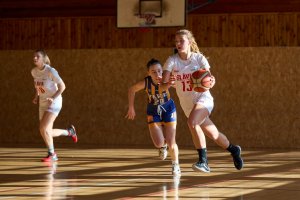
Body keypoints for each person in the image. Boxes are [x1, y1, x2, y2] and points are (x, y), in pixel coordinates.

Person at [161, 29, 243, 173]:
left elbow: (209, 79)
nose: (178, 43)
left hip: (203, 99)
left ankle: (203, 161)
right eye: (176, 41)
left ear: (190, 42)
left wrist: (211, 81)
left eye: (182, 40)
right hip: (188, 105)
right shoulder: (172, 61)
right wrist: (169, 84)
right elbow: (162, 87)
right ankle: (234, 149)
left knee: (192, 123)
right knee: (214, 135)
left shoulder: (199, 59)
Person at [125, 58, 180, 175]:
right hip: (153, 110)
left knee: (171, 141)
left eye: (159, 71)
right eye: (153, 72)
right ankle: (162, 147)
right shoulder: (146, 83)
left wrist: (171, 83)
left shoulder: (165, 79)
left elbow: (173, 86)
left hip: (168, 108)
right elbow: (131, 89)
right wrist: (131, 107)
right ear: (148, 73)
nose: (157, 74)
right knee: (158, 143)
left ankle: (175, 164)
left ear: (163, 71)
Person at [31, 49, 78, 162]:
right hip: (42, 102)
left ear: (43, 58)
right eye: (34, 56)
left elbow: (63, 86)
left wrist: (53, 97)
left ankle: (52, 154)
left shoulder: (51, 71)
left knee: (43, 128)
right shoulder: (33, 71)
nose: (35, 58)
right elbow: (38, 85)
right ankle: (69, 132)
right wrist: (36, 96)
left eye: (37, 56)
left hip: (54, 102)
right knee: (46, 131)